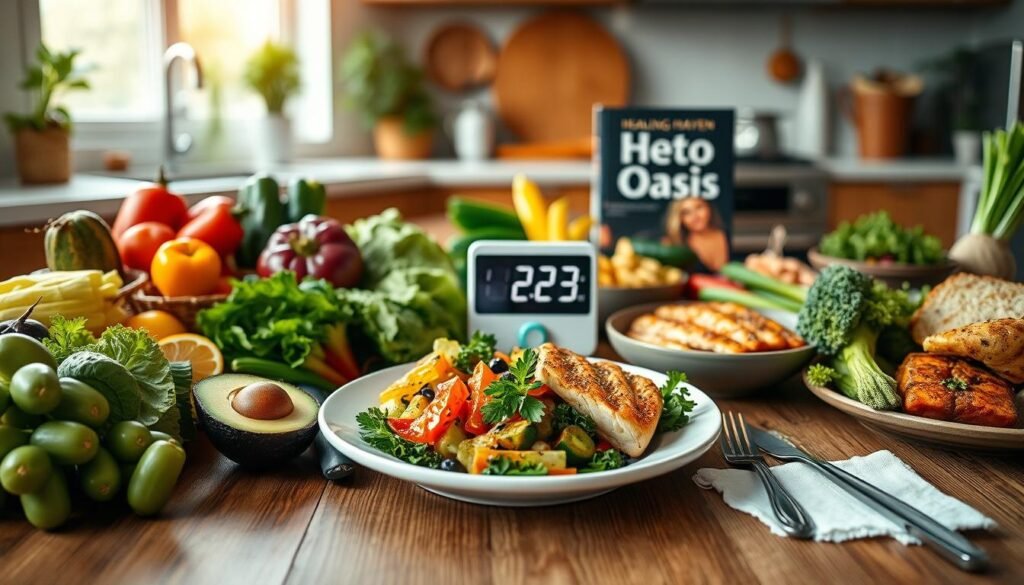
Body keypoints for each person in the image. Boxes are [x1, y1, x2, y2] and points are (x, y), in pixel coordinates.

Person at [664, 197, 729, 271]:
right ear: (680, 219)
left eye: (699, 207)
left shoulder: (727, 235)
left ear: (709, 207)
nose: (695, 217)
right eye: (686, 212)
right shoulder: (673, 244)